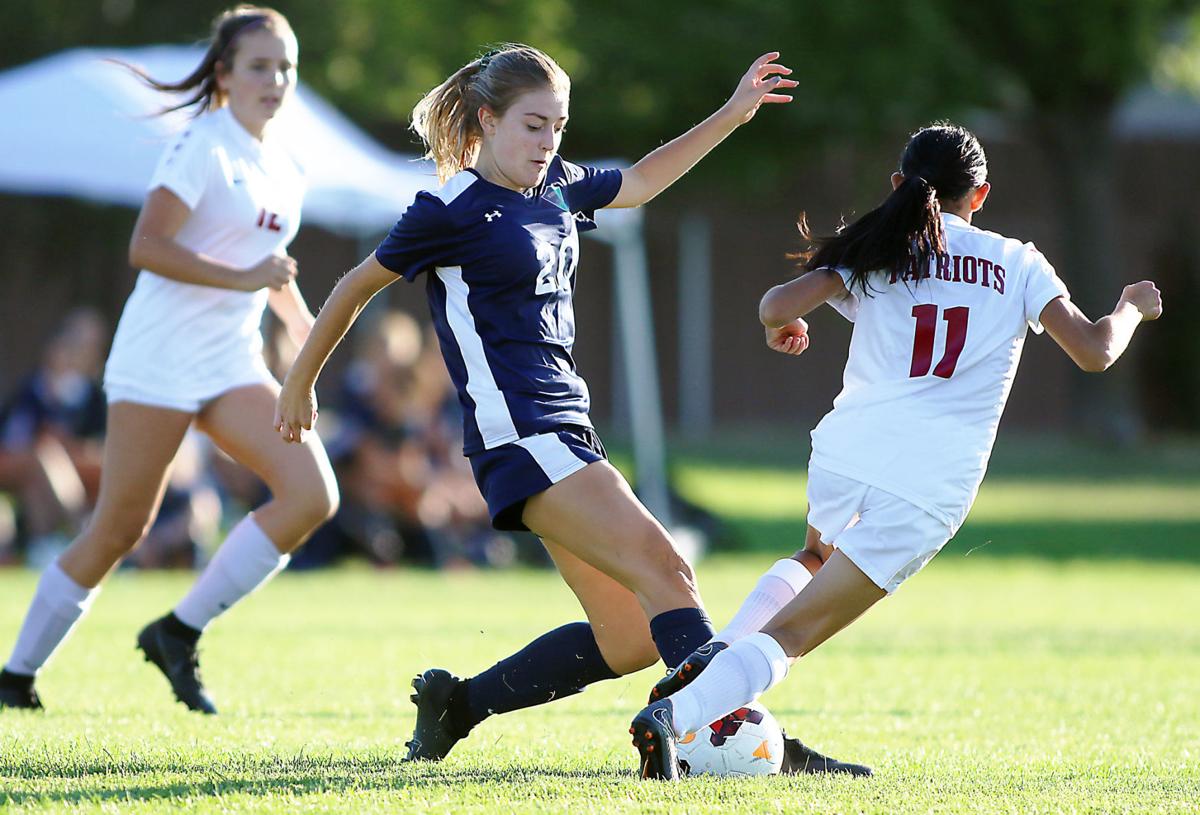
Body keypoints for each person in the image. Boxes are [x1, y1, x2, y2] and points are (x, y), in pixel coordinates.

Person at [275, 44, 855, 773]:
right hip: (520, 434)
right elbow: (354, 287)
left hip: (566, 431)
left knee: (629, 635)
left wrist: (733, 113)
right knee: (670, 572)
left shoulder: (554, 188)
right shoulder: (449, 208)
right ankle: (749, 744)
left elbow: (641, 181)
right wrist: (300, 383)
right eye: (532, 125)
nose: (548, 142)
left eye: (558, 126)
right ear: (486, 121)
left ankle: (461, 704)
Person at [629, 122, 1164, 779]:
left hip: (849, 446)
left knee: (814, 555)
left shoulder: (881, 247)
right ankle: (678, 715)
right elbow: (1095, 350)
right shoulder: (1016, 261)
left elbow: (774, 305)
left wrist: (786, 325)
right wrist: (1133, 304)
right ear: (982, 194)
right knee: (794, 635)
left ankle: (719, 650)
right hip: (929, 479)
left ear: (897, 185)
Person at [0, 6, 338, 714]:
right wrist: (244, 278)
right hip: (157, 359)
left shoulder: (288, 163)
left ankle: (178, 632)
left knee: (313, 495)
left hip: (231, 359)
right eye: (259, 65)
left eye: (286, 67)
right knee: (121, 527)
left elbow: (272, 273)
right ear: (224, 74)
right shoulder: (202, 143)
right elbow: (147, 246)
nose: (275, 79)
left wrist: (306, 346)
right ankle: (16, 673)